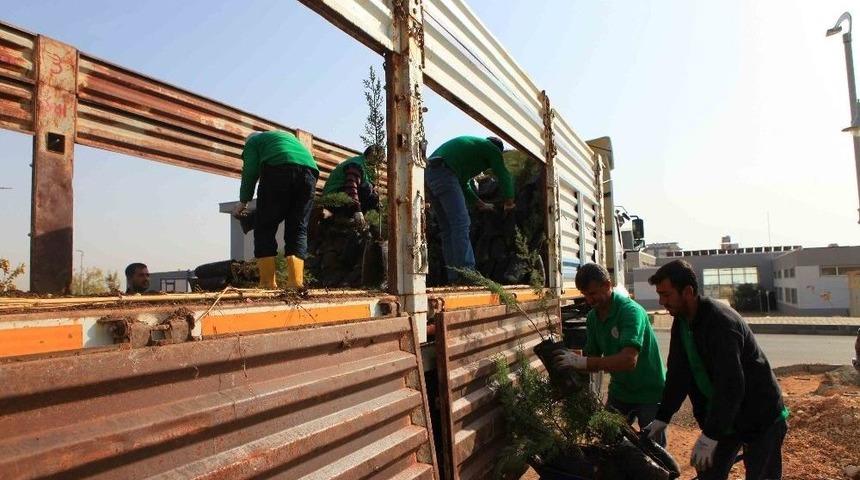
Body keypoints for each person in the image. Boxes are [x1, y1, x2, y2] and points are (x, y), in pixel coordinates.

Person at [643, 260, 788, 480]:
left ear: (688, 291)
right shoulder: (682, 321)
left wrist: (710, 436)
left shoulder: (721, 323)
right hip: (725, 417)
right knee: (708, 473)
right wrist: (663, 417)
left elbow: (731, 385)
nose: (662, 301)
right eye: (660, 295)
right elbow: (678, 374)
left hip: (760, 415)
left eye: (666, 294)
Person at [552, 263, 667, 446]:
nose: (589, 300)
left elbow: (629, 361)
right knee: (609, 441)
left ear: (607, 285)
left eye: (592, 293)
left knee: (653, 449)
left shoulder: (630, 312)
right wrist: (567, 358)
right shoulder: (593, 318)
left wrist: (582, 362)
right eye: (584, 294)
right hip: (620, 391)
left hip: (649, 392)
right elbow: (592, 355)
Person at [233, 130, 319, 289]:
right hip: (310, 173)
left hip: (278, 168)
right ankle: (296, 283)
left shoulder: (253, 142)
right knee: (298, 227)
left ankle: (267, 284)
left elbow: (250, 171)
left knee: (264, 226)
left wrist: (243, 201)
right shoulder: (286, 138)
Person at [425, 136, 515, 283]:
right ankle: (468, 273)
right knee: (461, 224)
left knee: (448, 229)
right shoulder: (490, 147)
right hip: (445, 172)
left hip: (431, 173)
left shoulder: (469, 153)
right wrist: (509, 200)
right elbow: (503, 173)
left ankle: (454, 276)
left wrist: (480, 203)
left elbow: (463, 184)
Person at [321, 145, 382, 226]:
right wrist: (357, 210)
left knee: (374, 198)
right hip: (333, 200)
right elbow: (351, 187)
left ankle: (364, 225)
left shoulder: (367, 168)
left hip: (345, 197)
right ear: (371, 155)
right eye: (379, 159)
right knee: (367, 188)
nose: (380, 163)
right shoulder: (357, 165)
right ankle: (345, 218)